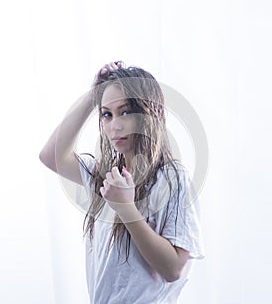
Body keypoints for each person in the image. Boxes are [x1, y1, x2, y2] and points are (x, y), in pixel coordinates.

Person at [39, 61, 204, 304]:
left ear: (147, 113)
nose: (114, 125)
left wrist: (126, 208)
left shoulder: (171, 178)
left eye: (125, 112)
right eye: (107, 114)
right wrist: (92, 97)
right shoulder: (105, 176)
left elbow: (173, 269)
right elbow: (50, 156)